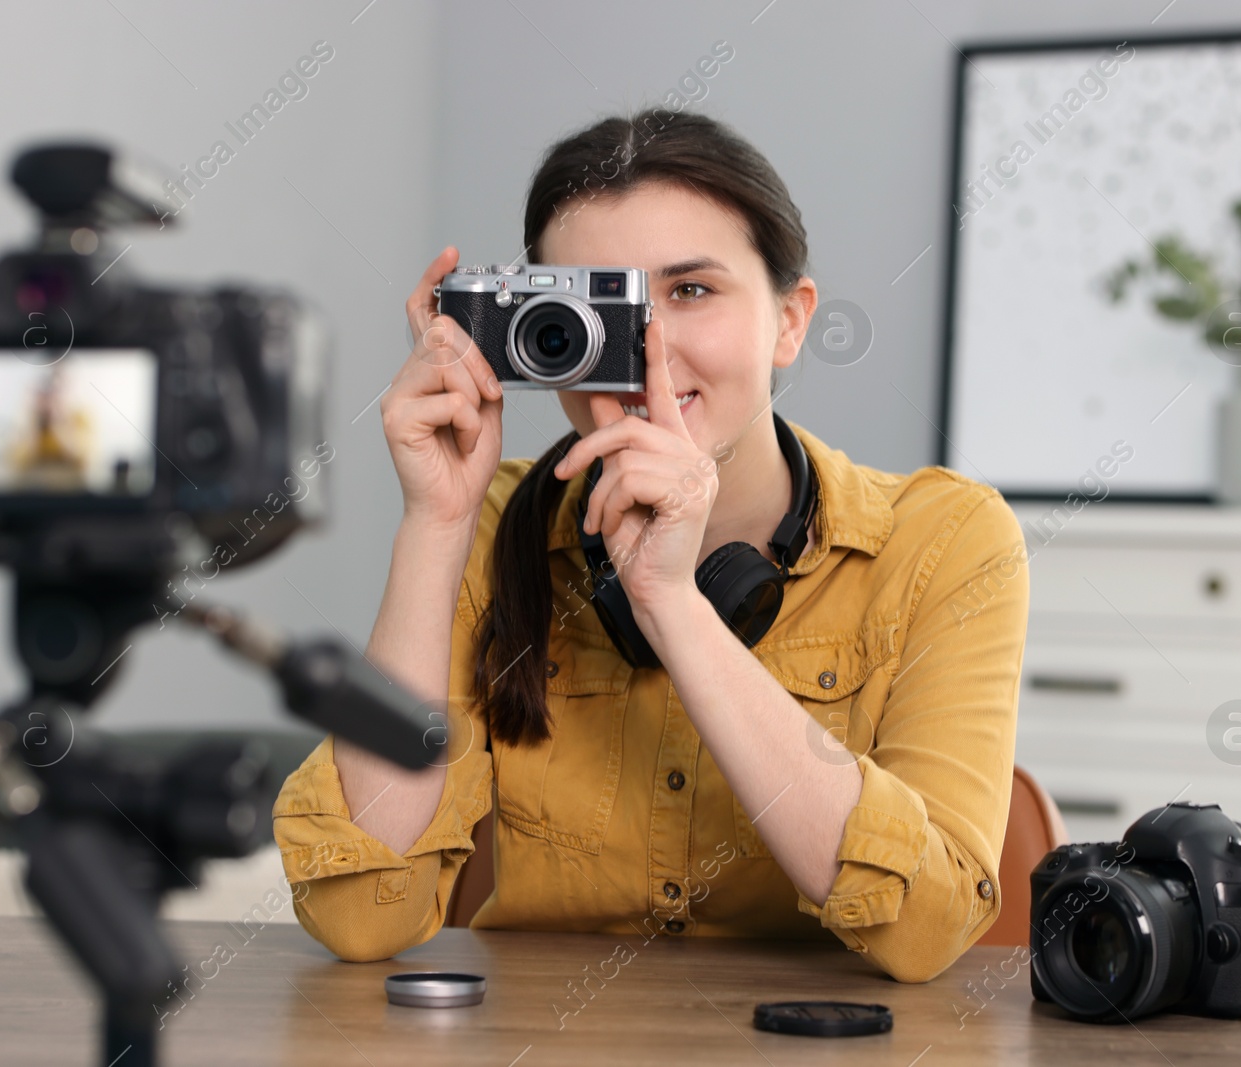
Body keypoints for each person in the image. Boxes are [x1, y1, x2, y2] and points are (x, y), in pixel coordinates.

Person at [272, 109, 1029, 983]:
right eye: (594, 306)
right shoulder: (490, 526)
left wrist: (671, 605)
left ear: (790, 320)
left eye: (691, 291)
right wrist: (435, 524)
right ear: (535, 334)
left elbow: (929, 926)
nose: (642, 350)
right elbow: (361, 913)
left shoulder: (945, 541)